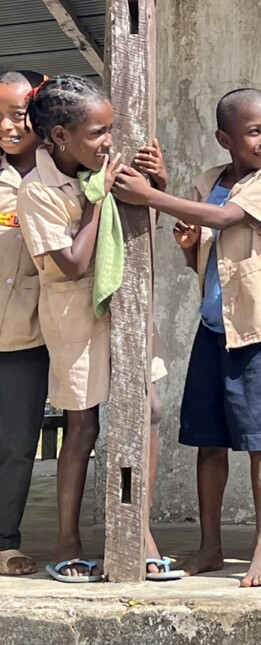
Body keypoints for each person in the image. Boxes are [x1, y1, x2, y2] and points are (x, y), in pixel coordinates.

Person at [114, 88, 261, 587]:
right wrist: (182, 226)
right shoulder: (208, 181)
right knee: (208, 442)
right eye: (255, 131)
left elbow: (225, 218)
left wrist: (151, 195)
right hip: (213, 327)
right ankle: (210, 546)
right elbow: (200, 248)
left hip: (257, 331)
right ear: (225, 138)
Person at [17, 74, 174, 582]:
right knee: (81, 426)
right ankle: (68, 539)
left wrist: (156, 183)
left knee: (148, 408)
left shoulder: (104, 166)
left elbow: (143, 214)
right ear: (60, 137)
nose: (109, 142)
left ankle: (139, 530)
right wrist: (96, 200)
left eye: (111, 129)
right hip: (73, 316)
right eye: (97, 133)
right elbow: (73, 263)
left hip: (124, 310)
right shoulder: (38, 190)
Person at [0, 70, 50, 577]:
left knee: (17, 445)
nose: (9, 127)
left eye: (17, 116)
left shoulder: (56, 175)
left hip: (27, 337)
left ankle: (4, 541)